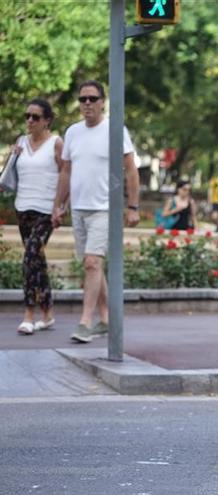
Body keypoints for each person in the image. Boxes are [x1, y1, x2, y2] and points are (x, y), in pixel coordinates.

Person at [52, 80, 140, 343]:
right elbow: (66, 171)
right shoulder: (73, 132)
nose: (87, 104)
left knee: (92, 263)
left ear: (103, 102)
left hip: (105, 208)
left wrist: (133, 206)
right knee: (91, 265)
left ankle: (84, 323)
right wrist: (59, 204)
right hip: (79, 208)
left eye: (92, 99)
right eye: (83, 99)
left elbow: (131, 170)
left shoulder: (114, 129)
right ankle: (105, 319)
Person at [10, 99, 63, 335]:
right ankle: (48, 314)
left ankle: (29, 315)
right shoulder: (20, 142)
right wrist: (12, 156)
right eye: (27, 116)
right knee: (36, 263)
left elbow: (66, 175)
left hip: (45, 210)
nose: (30, 121)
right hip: (23, 208)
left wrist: (60, 207)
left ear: (47, 120)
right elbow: (12, 174)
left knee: (30, 257)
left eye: (36, 117)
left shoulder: (56, 143)